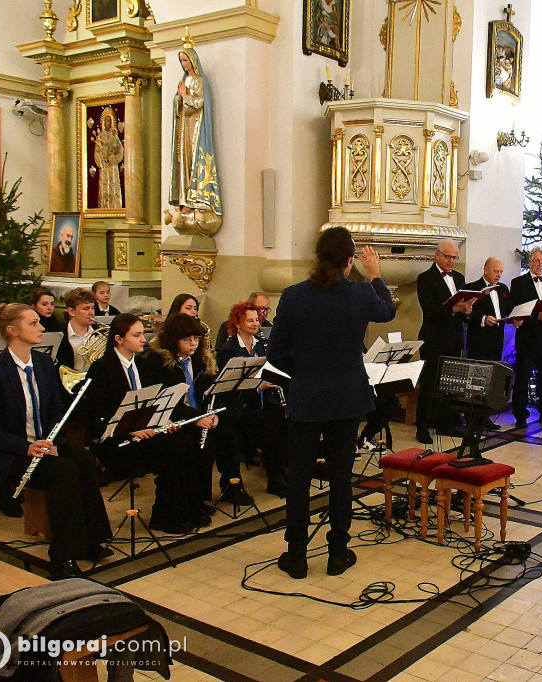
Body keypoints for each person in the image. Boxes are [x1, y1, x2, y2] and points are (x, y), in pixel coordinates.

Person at [267, 227, 395, 579]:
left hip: (305, 399)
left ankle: (296, 556)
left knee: (299, 480)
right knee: (341, 478)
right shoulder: (359, 294)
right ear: (349, 262)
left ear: (317, 256)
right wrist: (376, 275)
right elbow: (387, 312)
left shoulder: (293, 296)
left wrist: (304, 372)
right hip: (345, 399)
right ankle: (338, 553)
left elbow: (275, 353)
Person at [0, 304, 113, 577]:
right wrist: (27, 447)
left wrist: (54, 441)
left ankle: (90, 540)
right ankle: (62, 556)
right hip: (12, 453)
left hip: (44, 444)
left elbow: (54, 408)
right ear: (13, 331)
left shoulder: (41, 363)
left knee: (84, 459)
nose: (41, 328)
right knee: (65, 472)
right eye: (34, 323)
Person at [79, 314, 205, 534]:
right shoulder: (103, 367)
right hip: (117, 438)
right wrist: (133, 429)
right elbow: (100, 413)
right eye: (136, 335)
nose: (143, 340)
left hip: (144, 431)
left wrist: (164, 419)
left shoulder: (143, 363)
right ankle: (164, 516)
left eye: (142, 334)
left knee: (187, 441)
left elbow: (154, 401)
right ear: (119, 339)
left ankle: (186, 510)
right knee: (173, 450)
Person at [151, 313, 225, 506]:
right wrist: (196, 418)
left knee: (215, 440)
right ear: (174, 340)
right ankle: (183, 504)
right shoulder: (161, 363)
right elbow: (167, 403)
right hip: (174, 419)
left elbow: (209, 392)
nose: (193, 343)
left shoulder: (199, 360)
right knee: (184, 448)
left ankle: (200, 500)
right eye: (187, 339)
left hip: (196, 415)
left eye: (196, 339)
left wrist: (212, 413)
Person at [217, 301, 287, 498]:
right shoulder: (229, 349)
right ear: (238, 323)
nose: (255, 324)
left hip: (262, 402)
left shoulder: (261, 345)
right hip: (239, 405)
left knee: (278, 424)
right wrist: (256, 384)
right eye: (250, 320)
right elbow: (227, 384)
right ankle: (233, 485)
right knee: (233, 434)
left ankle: (277, 478)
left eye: (256, 320)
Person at [414, 238, 473, 444]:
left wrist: (466, 310)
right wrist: (454, 309)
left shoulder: (458, 277)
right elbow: (430, 309)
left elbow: (462, 311)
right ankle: (422, 427)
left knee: (449, 383)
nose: (451, 261)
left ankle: (443, 423)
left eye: (454, 257)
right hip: (433, 339)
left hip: (454, 338)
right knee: (429, 384)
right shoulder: (425, 278)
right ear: (437, 255)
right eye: (447, 256)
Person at [510, 246, 542, 429]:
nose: (540, 264)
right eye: (537, 261)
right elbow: (515, 309)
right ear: (530, 262)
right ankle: (520, 415)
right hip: (528, 338)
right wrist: (537, 316)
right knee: (523, 378)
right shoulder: (518, 282)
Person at [171, 45, 222, 216]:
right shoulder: (184, 81)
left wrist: (185, 96)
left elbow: (201, 103)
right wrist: (178, 98)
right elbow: (179, 106)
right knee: (183, 160)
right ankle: (185, 199)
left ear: (193, 60)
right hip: (184, 126)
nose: (183, 64)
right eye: (181, 61)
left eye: (185, 60)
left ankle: (196, 199)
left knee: (194, 160)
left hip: (196, 128)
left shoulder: (200, 81)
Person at [466, 257, 513, 362]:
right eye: (496, 271)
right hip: (478, 342)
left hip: (498, 341)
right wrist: (483, 319)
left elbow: (509, 309)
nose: (499, 275)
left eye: (501, 272)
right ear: (486, 270)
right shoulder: (472, 287)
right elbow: (466, 315)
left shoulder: (503, 288)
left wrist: (516, 318)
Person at [56, 288, 100, 372]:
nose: (91, 312)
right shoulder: (60, 335)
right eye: (86, 308)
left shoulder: (100, 333)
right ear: (71, 311)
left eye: (93, 308)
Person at [94, 109, 124, 209]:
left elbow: (120, 150)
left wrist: (114, 157)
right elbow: (97, 151)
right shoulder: (100, 136)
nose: (108, 123)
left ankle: (115, 206)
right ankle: (104, 206)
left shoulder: (114, 136)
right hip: (104, 166)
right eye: (106, 121)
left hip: (112, 166)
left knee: (114, 186)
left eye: (109, 121)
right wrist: (101, 160)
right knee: (104, 186)